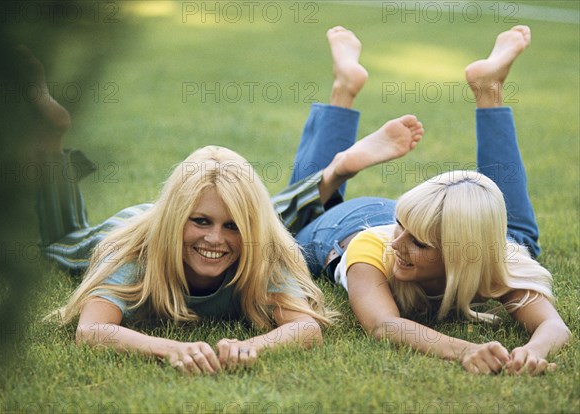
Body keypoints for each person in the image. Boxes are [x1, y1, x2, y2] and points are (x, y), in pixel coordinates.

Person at [34, 27, 423, 374]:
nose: (215, 239)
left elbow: (305, 327)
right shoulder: (134, 250)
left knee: (269, 217)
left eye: (231, 225)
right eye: (200, 221)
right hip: (133, 227)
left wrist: (250, 346)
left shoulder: (262, 247)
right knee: (62, 243)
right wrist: (170, 349)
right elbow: (92, 330)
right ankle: (49, 143)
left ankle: (336, 147)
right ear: (176, 218)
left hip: (253, 221)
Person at [291, 25, 571, 375]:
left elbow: (554, 327)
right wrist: (466, 350)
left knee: (519, 240)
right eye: (402, 231)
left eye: (418, 243)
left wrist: (534, 350)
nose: (398, 244)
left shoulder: (496, 260)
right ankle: (342, 106)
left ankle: (489, 88)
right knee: (291, 223)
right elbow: (384, 325)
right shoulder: (374, 250)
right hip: (344, 225)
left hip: (426, 215)